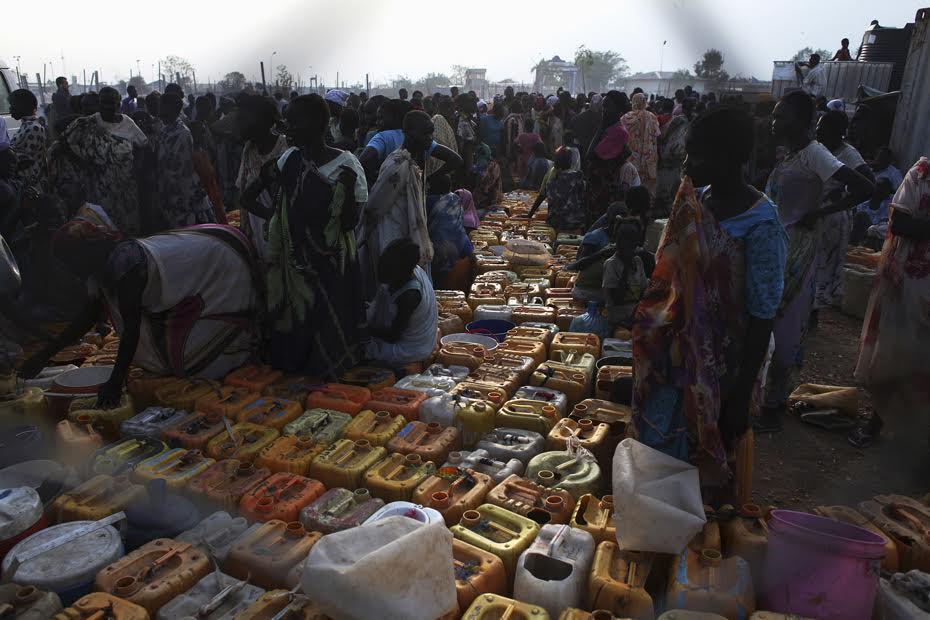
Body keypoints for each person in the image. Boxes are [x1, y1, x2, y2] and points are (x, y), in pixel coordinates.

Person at [633, 106, 787, 492]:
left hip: (729, 361)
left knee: (713, 463)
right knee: (669, 446)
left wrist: (738, 397)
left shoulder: (762, 224)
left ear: (731, 158)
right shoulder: (695, 203)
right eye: (688, 152)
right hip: (681, 352)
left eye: (697, 155)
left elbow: (763, 313)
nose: (687, 163)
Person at [20, 218, 261, 407]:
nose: (71, 270)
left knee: (197, 361)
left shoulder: (126, 264)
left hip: (220, 263)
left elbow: (131, 328)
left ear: (84, 252)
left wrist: (115, 382)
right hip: (205, 257)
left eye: (71, 262)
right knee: (172, 353)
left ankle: (236, 354)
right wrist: (44, 356)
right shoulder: (98, 270)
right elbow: (86, 318)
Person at [759, 91, 873, 432]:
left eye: (783, 116)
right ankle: (763, 397)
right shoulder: (790, 154)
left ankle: (774, 406)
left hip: (798, 249)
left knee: (785, 325)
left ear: (803, 120)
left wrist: (820, 211)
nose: (776, 123)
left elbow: (865, 187)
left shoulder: (815, 155)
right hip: (778, 246)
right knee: (765, 321)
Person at [242, 94, 368, 376]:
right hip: (295, 263)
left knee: (329, 325)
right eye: (287, 122)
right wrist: (276, 220)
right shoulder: (289, 159)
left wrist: (344, 194)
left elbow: (351, 222)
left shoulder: (347, 164)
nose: (288, 128)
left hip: (333, 264)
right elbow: (248, 197)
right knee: (296, 323)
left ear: (319, 123)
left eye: (295, 122)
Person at [852, 157, 930, 447]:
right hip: (910, 283)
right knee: (894, 351)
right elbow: (900, 222)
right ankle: (876, 422)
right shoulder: (921, 175)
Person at [358, 110, 436, 298]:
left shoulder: (412, 163)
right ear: (408, 132)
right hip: (392, 235)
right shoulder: (397, 163)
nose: (429, 138)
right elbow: (374, 206)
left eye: (431, 133)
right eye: (425, 133)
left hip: (407, 233)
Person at [48, 88, 145, 236]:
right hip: (98, 189)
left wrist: (136, 168)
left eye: (110, 102)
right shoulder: (86, 123)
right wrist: (83, 164)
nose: (106, 106)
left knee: (127, 228)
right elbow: (62, 144)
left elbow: (143, 146)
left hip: (125, 189)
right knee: (103, 229)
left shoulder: (128, 123)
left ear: (118, 103)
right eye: (103, 102)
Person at [812, 111, 874, 316]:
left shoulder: (848, 153)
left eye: (823, 127)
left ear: (837, 132)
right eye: (818, 126)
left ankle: (812, 317)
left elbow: (868, 185)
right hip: (814, 216)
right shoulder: (819, 149)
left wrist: (834, 205)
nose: (818, 130)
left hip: (831, 218)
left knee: (823, 269)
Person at [365, 239, 439, 367]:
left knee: (359, 349)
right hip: (401, 338)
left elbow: (393, 336)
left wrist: (363, 330)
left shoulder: (409, 296)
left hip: (410, 349)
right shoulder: (411, 271)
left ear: (400, 270)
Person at [235, 95, 287, 261]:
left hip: (283, 239)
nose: (239, 125)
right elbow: (242, 189)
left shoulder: (285, 149)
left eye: (243, 119)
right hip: (257, 236)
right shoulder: (249, 149)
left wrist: (273, 222)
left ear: (264, 120)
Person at [359, 99, 461, 182]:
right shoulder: (421, 138)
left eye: (381, 118)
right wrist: (429, 179)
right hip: (415, 199)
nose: (378, 122)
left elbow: (364, 160)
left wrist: (376, 178)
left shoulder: (382, 137)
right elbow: (455, 160)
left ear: (396, 117)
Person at [154, 93, 216, 230]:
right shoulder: (164, 131)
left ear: (175, 109)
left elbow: (183, 169)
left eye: (163, 108)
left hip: (184, 194)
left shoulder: (183, 133)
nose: (160, 112)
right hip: (169, 192)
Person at [586, 92, 642, 226]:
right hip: (598, 189)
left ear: (618, 110)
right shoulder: (609, 128)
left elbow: (591, 155)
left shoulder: (618, 132)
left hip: (606, 191)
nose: (604, 110)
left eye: (608, 107)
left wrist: (600, 127)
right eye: (603, 106)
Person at [426, 174, 474, 290]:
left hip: (439, 253)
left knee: (440, 290)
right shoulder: (455, 199)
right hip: (463, 248)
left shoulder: (429, 201)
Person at [527, 146, 585, 231]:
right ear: (570, 161)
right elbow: (583, 197)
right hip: (574, 222)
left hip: (555, 223)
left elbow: (542, 196)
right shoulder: (577, 178)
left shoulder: (551, 182)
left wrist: (530, 214)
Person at [603, 218, 649, 328]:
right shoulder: (612, 264)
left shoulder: (638, 261)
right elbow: (616, 300)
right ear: (617, 241)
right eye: (625, 239)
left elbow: (643, 291)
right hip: (619, 315)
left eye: (633, 239)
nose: (629, 244)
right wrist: (626, 268)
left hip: (636, 311)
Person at [656, 98, 693, 214]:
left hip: (666, 161)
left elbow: (662, 138)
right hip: (676, 161)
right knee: (672, 189)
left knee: (664, 189)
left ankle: (666, 211)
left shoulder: (674, 120)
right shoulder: (684, 121)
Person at [8, 89, 48, 191]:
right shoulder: (27, 125)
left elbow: (22, 160)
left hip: (31, 186)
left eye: (12, 105)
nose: (10, 109)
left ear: (21, 106)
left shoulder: (33, 128)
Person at [621, 93, 660, 190]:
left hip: (633, 154)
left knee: (632, 183)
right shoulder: (652, 117)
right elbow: (657, 134)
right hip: (649, 155)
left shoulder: (626, 117)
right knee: (647, 186)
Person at [851, 177, 894, 246]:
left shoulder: (893, 201)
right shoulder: (863, 204)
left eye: (884, 187)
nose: (880, 190)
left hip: (883, 237)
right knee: (861, 215)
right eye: (878, 186)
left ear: (889, 189)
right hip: (866, 236)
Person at [427, 97, 459, 178]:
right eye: (449, 107)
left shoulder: (449, 121)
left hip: (448, 164)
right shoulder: (438, 119)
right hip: (439, 165)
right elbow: (440, 141)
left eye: (453, 108)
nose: (452, 110)